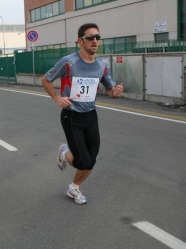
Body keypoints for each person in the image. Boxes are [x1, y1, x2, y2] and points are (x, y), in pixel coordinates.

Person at [41, 23, 124, 205]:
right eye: (90, 37)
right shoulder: (68, 62)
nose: (95, 41)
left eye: (97, 37)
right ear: (80, 41)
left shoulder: (102, 65)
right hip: (71, 116)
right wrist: (56, 98)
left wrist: (115, 93)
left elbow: (110, 90)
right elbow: (45, 79)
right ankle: (64, 152)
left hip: (91, 116)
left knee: (91, 161)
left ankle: (74, 188)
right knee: (82, 161)